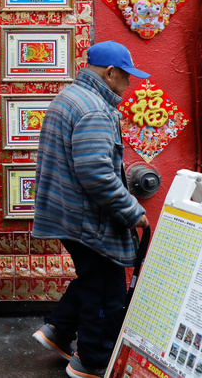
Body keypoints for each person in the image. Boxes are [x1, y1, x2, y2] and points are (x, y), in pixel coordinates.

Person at [31, 40, 151, 378]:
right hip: (88, 219)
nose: (129, 84)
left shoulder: (69, 97)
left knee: (94, 278)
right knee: (108, 292)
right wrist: (131, 210)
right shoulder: (95, 109)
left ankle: (58, 329)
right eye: (126, 76)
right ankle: (91, 362)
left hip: (67, 214)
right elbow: (96, 173)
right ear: (110, 73)